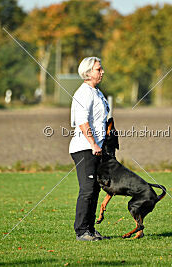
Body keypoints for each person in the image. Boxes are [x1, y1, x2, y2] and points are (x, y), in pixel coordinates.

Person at [69, 57, 110, 241]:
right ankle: (81, 231)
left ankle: (90, 230)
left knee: (95, 189)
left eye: (101, 69)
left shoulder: (97, 92)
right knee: (87, 189)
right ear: (87, 72)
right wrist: (93, 143)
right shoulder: (84, 93)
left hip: (97, 148)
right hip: (85, 147)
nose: (101, 72)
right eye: (98, 69)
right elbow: (82, 121)